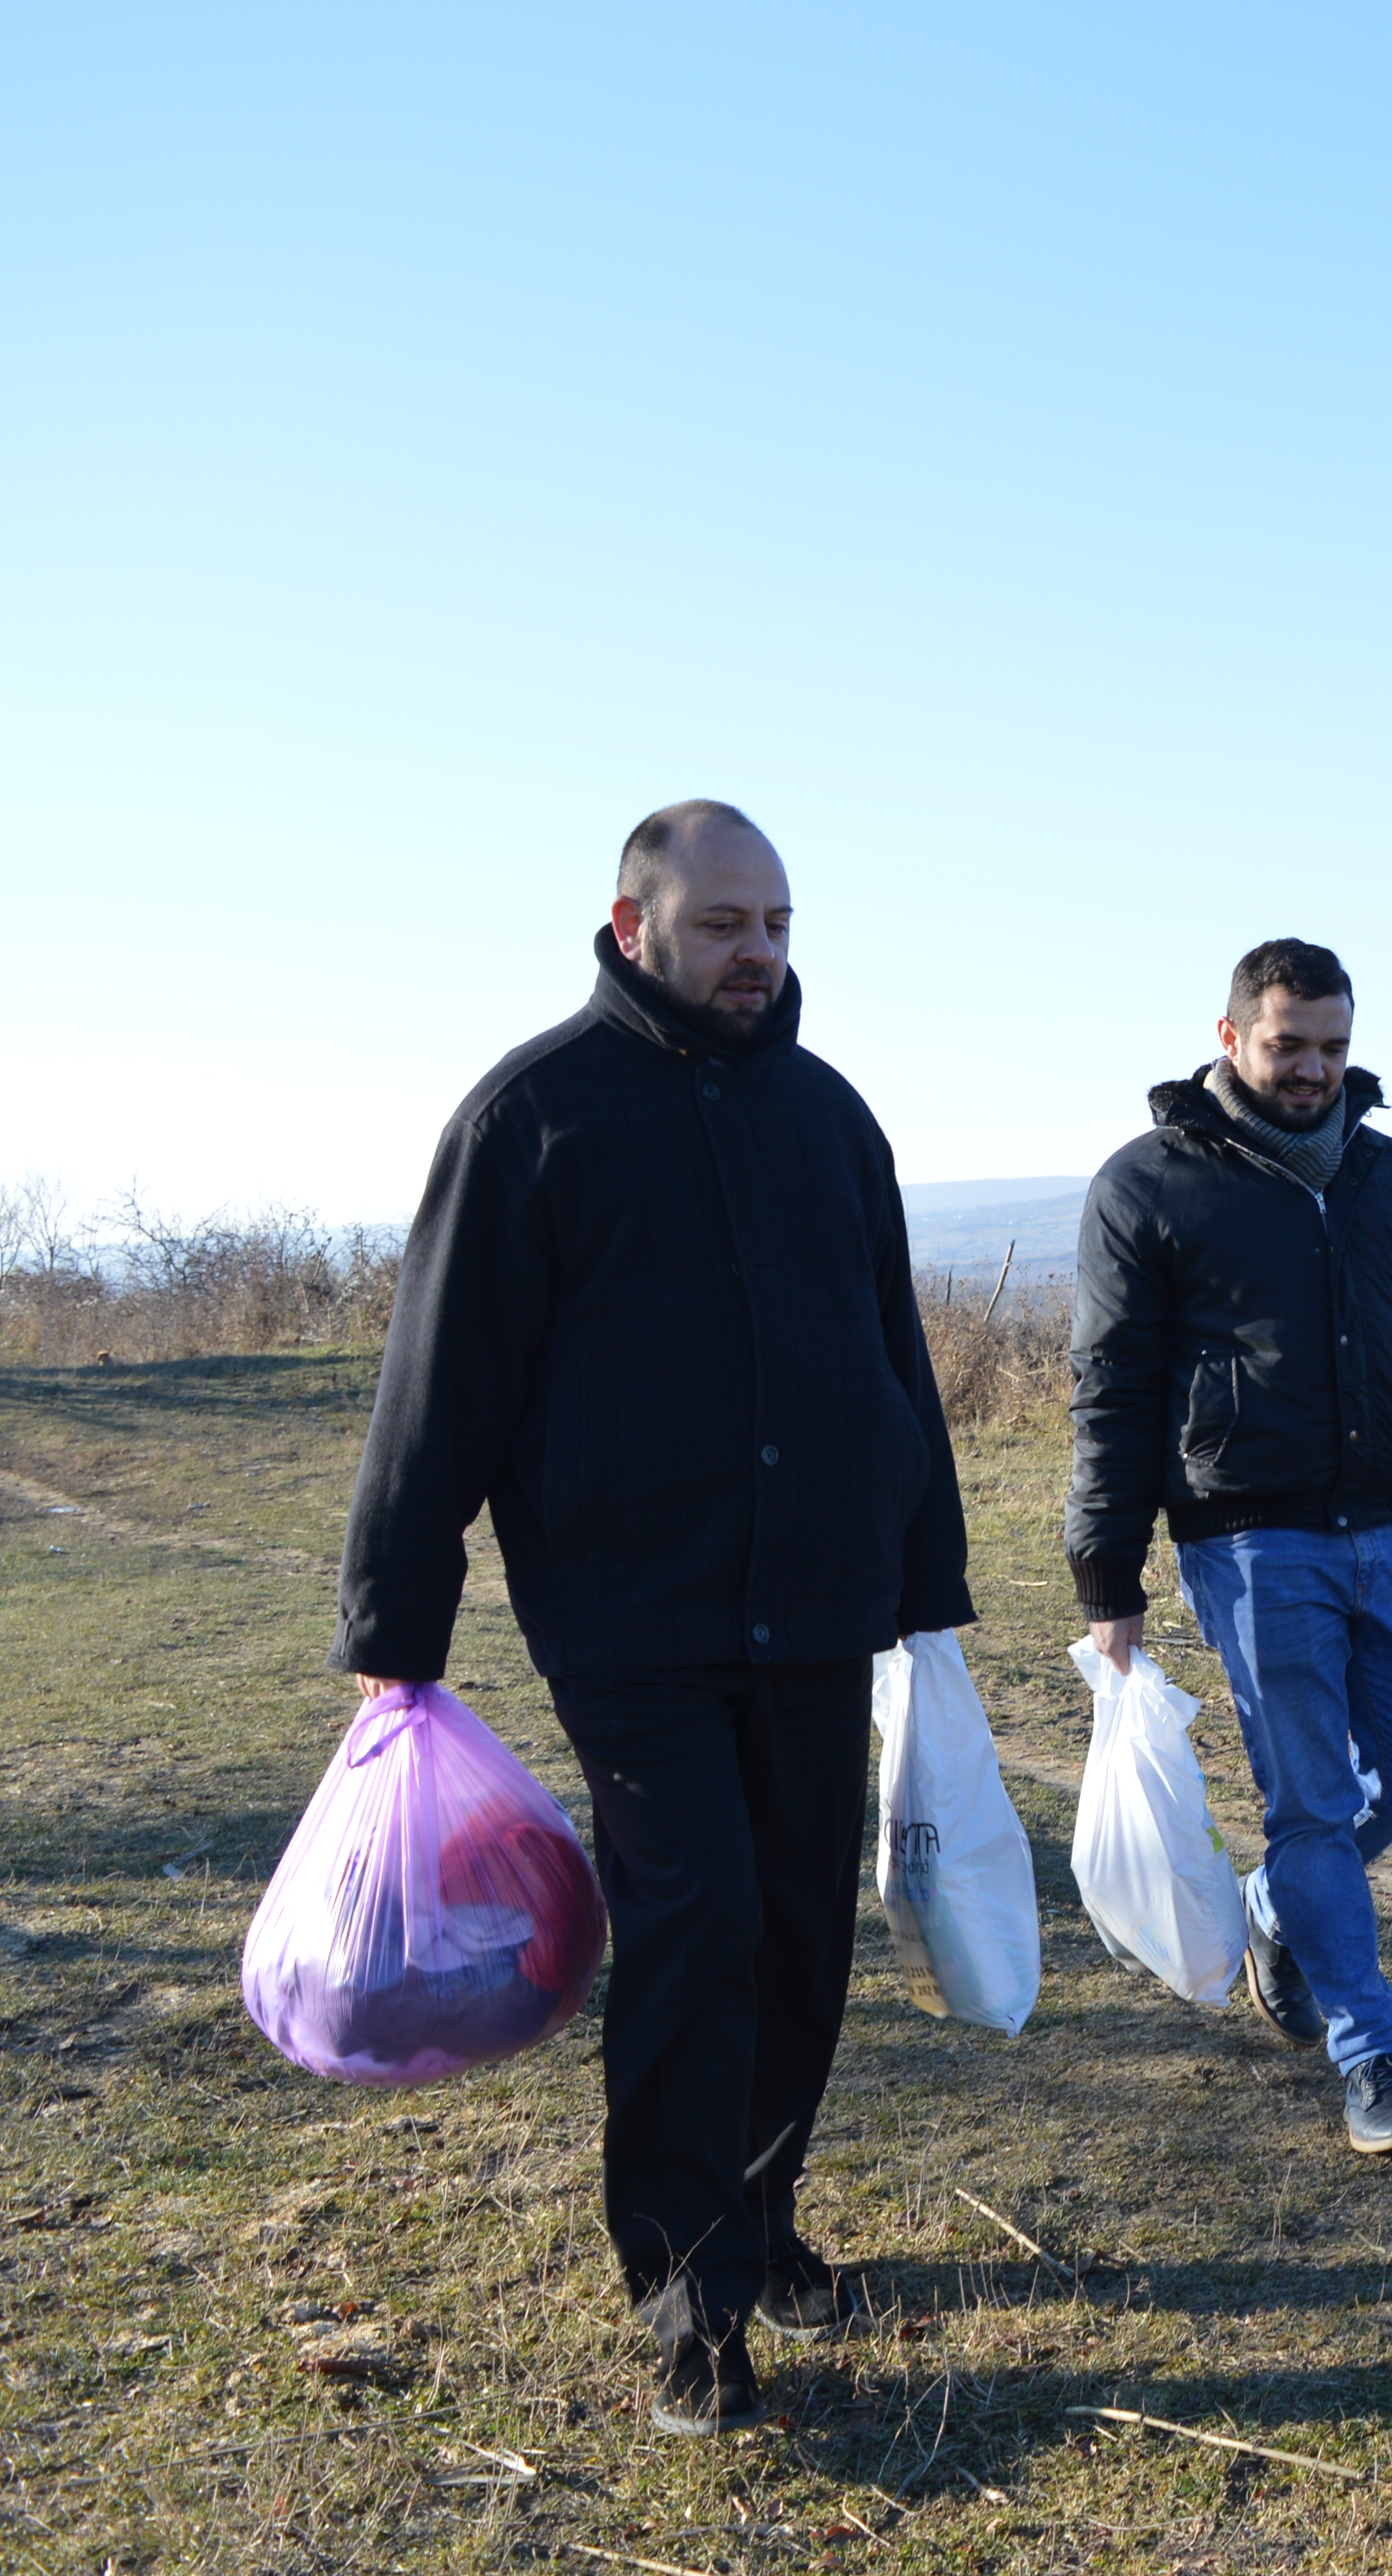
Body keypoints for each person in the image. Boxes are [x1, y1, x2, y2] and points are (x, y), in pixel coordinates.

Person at [335, 801, 973, 2437]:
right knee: (699, 1924)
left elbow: (891, 1357)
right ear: (633, 926)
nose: (757, 953)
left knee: (801, 1932)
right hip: (631, 1614)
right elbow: (439, 1382)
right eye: (721, 923)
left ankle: (759, 2214)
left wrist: (926, 1576)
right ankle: (692, 2295)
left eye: (776, 923)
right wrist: (398, 1623)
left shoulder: (831, 1118)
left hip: (816, 1601)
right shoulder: (533, 1115)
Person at [1063, 938, 1392, 2160]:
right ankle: (1373, 2054)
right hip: (1249, 1542)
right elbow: (1111, 1390)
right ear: (1231, 1038)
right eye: (1289, 1046)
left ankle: (1280, 1903)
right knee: (1314, 1804)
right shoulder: (1148, 1186)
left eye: (1334, 1047)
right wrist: (1108, 1572)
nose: (1315, 1070)